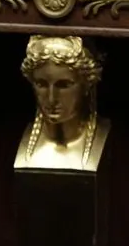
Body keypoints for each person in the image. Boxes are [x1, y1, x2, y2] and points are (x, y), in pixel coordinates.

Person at [15, 34, 110, 171]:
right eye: (41, 84)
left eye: (64, 85)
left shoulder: (105, 136)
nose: (51, 98)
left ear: (87, 85)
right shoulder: (14, 144)